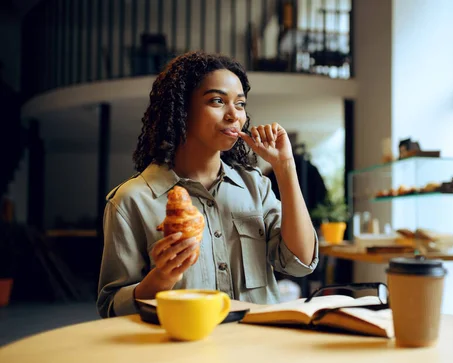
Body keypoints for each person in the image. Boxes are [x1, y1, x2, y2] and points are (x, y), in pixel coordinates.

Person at [97, 52, 318, 318]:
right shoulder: (131, 200)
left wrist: (285, 168)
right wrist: (161, 279)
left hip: (260, 347)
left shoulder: (255, 187)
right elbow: (111, 307)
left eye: (240, 104)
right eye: (217, 101)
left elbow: (301, 263)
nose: (233, 115)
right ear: (181, 108)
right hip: (182, 351)